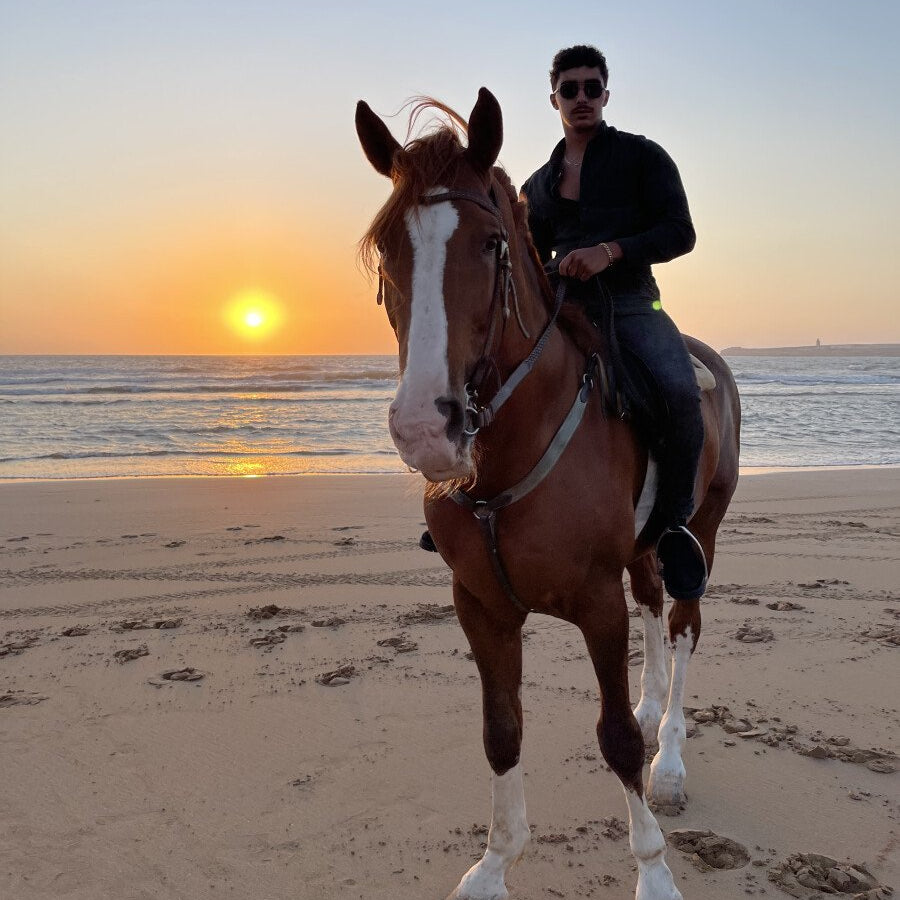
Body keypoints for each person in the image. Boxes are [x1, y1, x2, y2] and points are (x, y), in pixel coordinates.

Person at [520, 44, 707, 600]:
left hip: (630, 305)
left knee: (679, 393)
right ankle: (467, 500)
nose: (582, 98)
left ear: (606, 93)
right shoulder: (538, 183)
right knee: (487, 373)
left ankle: (673, 529)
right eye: (570, 88)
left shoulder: (642, 157)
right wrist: (553, 267)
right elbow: (529, 256)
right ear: (552, 97)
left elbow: (680, 232)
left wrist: (612, 250)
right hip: (560, 306)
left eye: (592, 87)